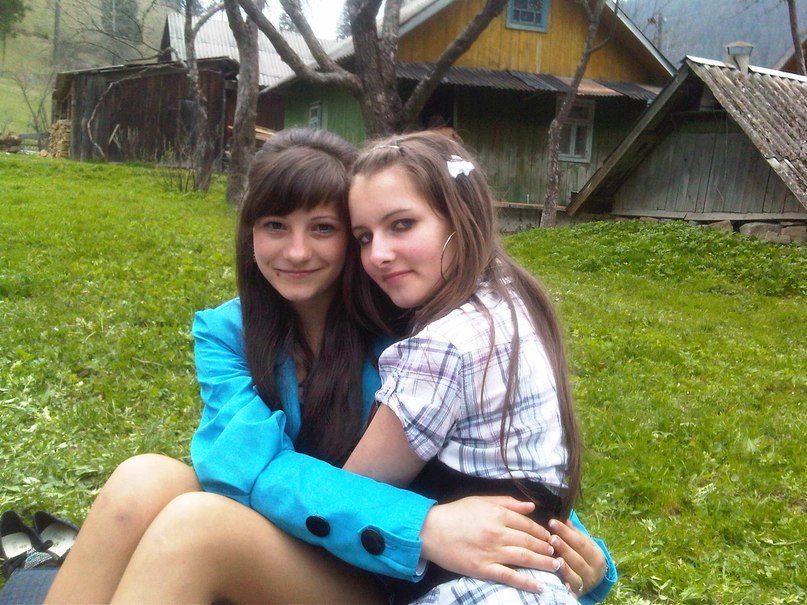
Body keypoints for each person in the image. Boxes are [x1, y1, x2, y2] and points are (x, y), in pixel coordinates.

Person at [43, 129, 615, 604]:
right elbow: (239, 467)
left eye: (323, 228)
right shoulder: (228, 332)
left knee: (195, 527)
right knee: (142, 478)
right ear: (250, 234)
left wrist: (587, 558)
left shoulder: (407, 323)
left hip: (384, 573)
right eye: (274, 225)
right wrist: (421, 525)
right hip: (353, 537)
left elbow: (495, 455)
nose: (296, 252)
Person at [341, 130, 588, 603]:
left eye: (402, 225)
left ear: (461, 216)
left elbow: (351, 495)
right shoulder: (514, 303)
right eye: (363, 237)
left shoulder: (444, 346)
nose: (377, 255)